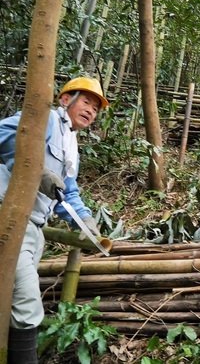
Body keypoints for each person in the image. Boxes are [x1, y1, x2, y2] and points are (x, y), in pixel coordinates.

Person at [0, 77, 108, 364]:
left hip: (35, 229)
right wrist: (35, 168)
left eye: (96, 108)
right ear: (65, 100)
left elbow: (67, 193)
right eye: (86, 101)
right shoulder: (44, 120)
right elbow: (3, 134)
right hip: (10, 219)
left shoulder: (70, 144)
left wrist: (84, 220)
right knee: (26, 303)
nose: (91, 110)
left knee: (10, 299)